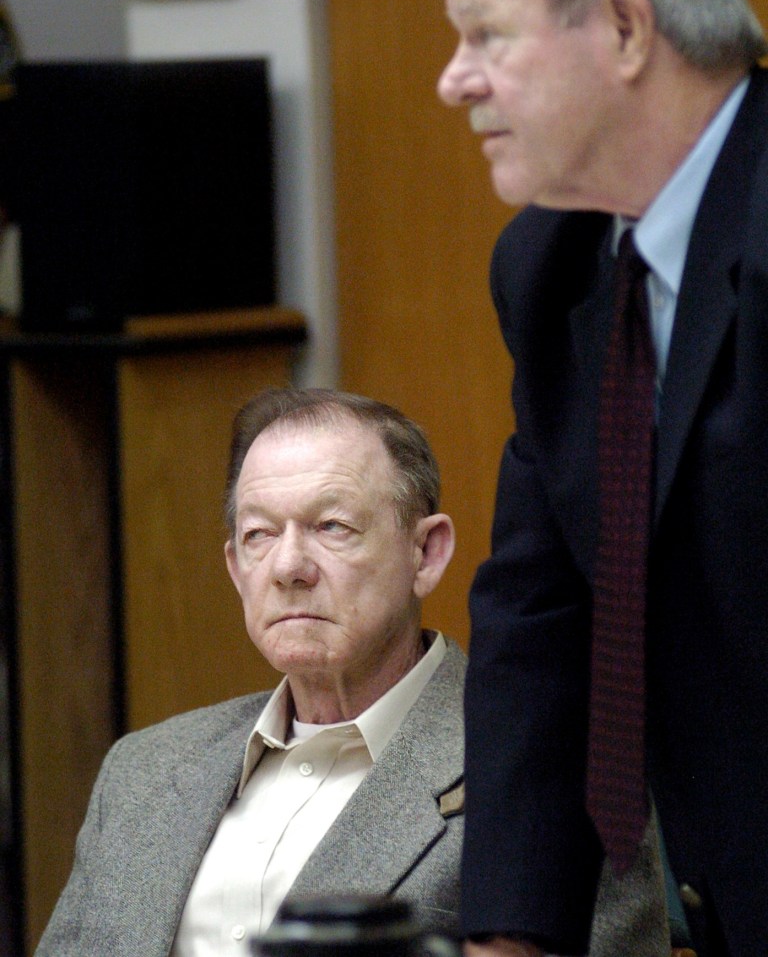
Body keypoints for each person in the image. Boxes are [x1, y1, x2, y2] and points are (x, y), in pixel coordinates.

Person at [427, 0, 768, 956]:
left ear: (625, 29)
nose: (453, 79)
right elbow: (540, 615)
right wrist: (509, 936)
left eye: (487, 35)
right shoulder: (550, 263)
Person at [36, 386, 668, 957]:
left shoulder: (557, 770)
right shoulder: (142, 773)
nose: (288, 567)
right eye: (259, 535)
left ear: (426, 553)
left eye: (330, 527)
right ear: (235, 569)